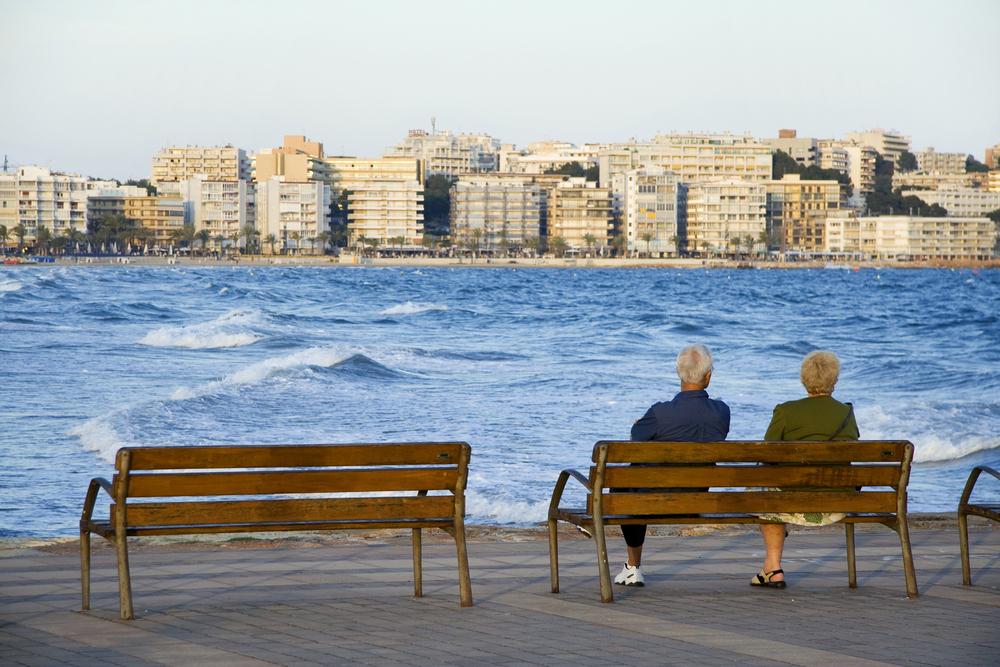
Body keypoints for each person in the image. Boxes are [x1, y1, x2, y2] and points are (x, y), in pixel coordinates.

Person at [615, 343, 731, 587]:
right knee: (634, 479)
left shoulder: (659, 412)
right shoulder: (721, 412)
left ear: (678, 371)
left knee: (627, 480)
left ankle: (633, 567)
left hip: (652, 500)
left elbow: (635, 440)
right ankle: (632, 567)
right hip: (696, 498)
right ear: (708, 376)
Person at [751, 349, 859, 590]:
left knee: (763, 485)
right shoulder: (847, 414)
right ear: (835, 382)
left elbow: (766, 456)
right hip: (837, 504)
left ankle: (774, 568)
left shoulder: (786, 411)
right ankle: (770, 568)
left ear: (803, 380)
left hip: (793, 503)